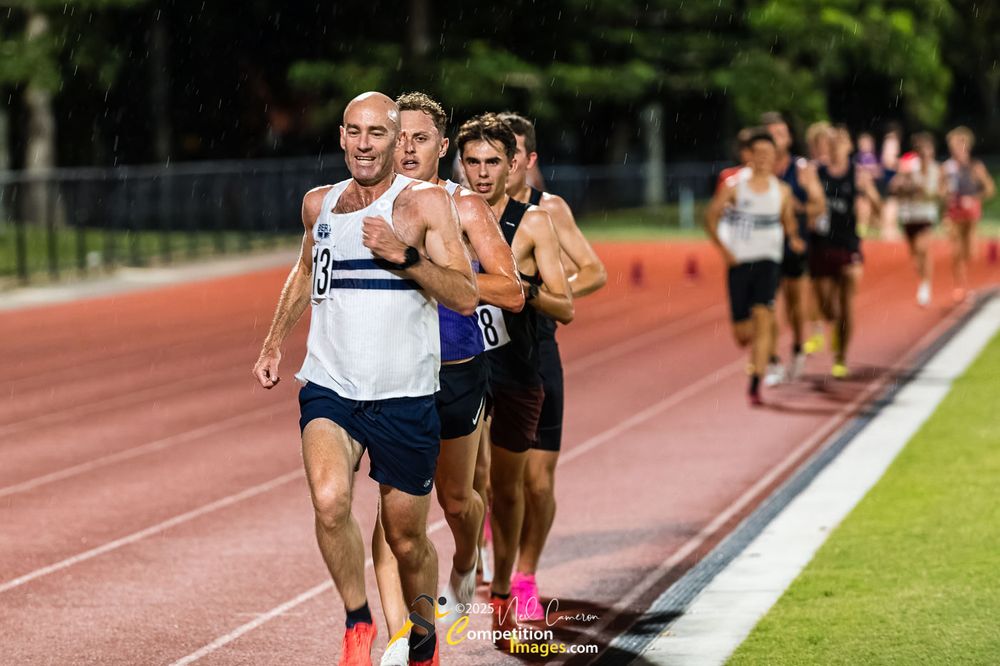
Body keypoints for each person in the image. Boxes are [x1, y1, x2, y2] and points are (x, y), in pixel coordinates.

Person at [252, 92, 478, 666]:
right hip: (331, 386)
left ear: (397, 137)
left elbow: (464, 294)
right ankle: (358, 620)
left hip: (404, 396)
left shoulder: (424, 203)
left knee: (405, 539)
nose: (364, 143)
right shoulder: (318, 204)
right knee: (330, 502)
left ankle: (424, 629)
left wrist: (405, 257)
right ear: (342, 135)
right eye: (354, 131)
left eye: (377, 132)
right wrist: (275, 339)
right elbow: (305, 271)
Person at [372, 92, 525, 666]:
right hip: (389, 377)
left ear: (442, 147)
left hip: (456, 370)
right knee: (393, 515)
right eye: (399, 137)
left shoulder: (465, 208)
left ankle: (465, 565)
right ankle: (404, 639)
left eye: (419, 139)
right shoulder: (370, 204)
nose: (406, 149)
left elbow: (511, 291)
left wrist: (433, 275)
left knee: (458, 500)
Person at [457, 112, 574, 647]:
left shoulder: (532, 223)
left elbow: (565, 305)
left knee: (509, 490)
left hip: (518, 371)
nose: (482, 174)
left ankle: (506, 586)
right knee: (465, 486)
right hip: (463, 368)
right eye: (472, 163)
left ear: (512, 166)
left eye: (492, 163)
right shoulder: (448, 217)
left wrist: (519, 289)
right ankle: (470, 564)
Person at [499, 111, 607, 621]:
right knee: (484, 477)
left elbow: (593, 271)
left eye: (513, 153)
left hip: (537, 349)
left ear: (528, 159)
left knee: (537, 482)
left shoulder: (549, 209)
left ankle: (524, 575)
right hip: (480, 357)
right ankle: (487, 559)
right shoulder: (463, 207)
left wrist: (539, 293)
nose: (502, 164)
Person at [705, 128, 806, 405]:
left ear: (775, 158)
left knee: (764, 319)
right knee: (743, 334)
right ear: (749, 156)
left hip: (769, 262)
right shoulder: (735, 187)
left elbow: (788, 222)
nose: (763, 159)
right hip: (740, 263)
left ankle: (755, 383)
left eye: (768, 154)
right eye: (758, 153)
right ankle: (758, 361)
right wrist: (724, 251)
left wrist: (795, 239)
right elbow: (710, 217)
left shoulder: (782, 191)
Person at [809, 127, 880, 378]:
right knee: (828, 307)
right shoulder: (817, 174)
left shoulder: (857, 175)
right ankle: (835, 329)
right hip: (821, 245)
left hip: (848, 245)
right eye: (832, 142)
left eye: (841, 142)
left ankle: (841, 358)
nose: (836, 146)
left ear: (849, 146)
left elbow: (877, 206)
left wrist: (870, 197)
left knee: (847, 303)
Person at [761, 112, 825, 381]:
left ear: (788, 138)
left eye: (781, 133)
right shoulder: (756, 171)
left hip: (794, 246)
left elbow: (819, 205)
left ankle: (798, 349)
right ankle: (773, 360)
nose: (776, 138)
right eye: (771, 134)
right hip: (763, 247)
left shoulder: (801, 169)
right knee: (767, 306)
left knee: (796, 307)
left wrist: (797, 207)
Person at [943, 126, 996, 301]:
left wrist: (974, 198)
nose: (957, 149)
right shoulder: (947, 168)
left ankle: (968, 283)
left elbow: (990, 189)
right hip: (953, 214)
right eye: (954, 145)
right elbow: (940, 190)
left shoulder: (976, 167)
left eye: (960, 144)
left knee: (970, 252)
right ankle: (959, 285)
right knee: (956, 250)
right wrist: (946, 198)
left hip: (971, 215)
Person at [891, 134, 941, 306]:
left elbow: (941, 193)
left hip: (926, 215)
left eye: (928, 149)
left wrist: (928, 192)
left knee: (923, 249)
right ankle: (923, 278)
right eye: (921, 150)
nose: (925, 153)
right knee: (915, 253)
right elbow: (895, 187)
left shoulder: (937, 169)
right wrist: (907, 184)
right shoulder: (908, 166)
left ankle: (925, 286)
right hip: (909, 215)